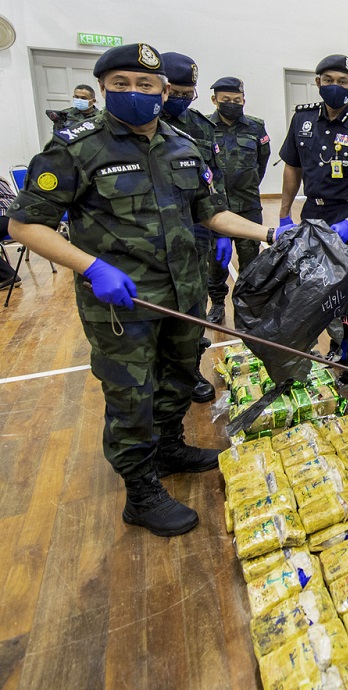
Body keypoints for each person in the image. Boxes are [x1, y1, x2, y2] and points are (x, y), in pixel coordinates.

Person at [6, 43, 286, 537]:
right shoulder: (75, 147)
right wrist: (92, 267)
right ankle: (140, 491)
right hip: (122, 302)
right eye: (121, 84)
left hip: (182, 293)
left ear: (163, 91)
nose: (134, 92)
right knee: (130, 395)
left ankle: (171, 448)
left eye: (145, 85)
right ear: (103, 89)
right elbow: (27, 225)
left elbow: (209, 211)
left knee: (179, 376)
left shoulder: (184, 145)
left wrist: (266, 233)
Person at [278, 54, 348, 382]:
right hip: (312, 214)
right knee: (311, 287)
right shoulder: (302, 121)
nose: (335, 86)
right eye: (328, 80)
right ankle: (321, 346)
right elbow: (292, 167)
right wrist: (285, 215)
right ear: (317, 83)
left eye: (342, 82)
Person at [160, 51, 228, 402]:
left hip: (196, 232)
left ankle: (189, 373)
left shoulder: (201, 127)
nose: (184, 99)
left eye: (190, 93)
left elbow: (214, 182)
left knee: (191, 309)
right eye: (178, 92)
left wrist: (221, 231)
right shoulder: (133, 127)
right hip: (145, 242)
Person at [206, 76, 271, 324]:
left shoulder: (255, 127)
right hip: (214, 207)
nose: (232, 104)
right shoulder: (204, 127)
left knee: (251, 261)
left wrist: (249, 183)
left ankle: (247, 306)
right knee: (216, 262)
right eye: (226, 100)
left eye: (237, 100)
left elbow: (262, 162)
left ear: (243, 100)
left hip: (248, 206)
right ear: (215, 100)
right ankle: (218, 304)